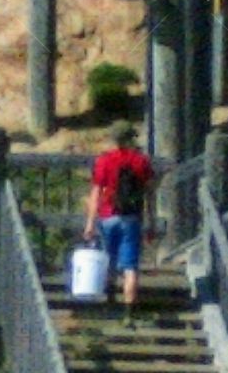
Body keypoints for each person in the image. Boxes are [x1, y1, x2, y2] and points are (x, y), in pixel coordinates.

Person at [83, 121, 154, 324]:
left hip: (108, 216)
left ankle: (110, 302)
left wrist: (90, 223)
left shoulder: (104, 160)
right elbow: (150, 193)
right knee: (130, 266)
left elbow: (96, 193)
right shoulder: (141, 161)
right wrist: (150, 220)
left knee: (109, 260)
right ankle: (129, 314)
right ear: (131, 138)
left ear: (113, 139)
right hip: (131, 218)